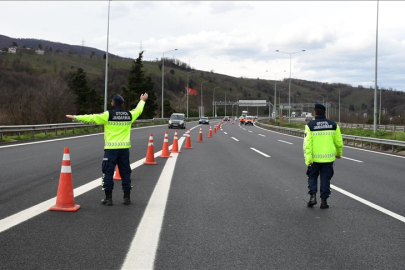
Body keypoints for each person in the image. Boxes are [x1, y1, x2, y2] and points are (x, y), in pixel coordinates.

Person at [66, 93, 148, 206]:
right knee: (125, 173)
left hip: (111, 150)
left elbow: (92, 118)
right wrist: (142, 101)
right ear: (123, 104)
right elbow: (138, 110)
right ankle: (127, 198)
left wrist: (76, 117)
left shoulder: (108, 114)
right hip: (124, 149)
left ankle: (108, 199)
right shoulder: (129, 115)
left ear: (112, 103)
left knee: (108, 173)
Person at [303, 103, 343, 209]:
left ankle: (312, 197)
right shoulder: (334, 125)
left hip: (314, 159)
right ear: (325, 112)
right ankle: (324, 201)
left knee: (312, 177)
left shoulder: (310, 126)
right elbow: (339, 142)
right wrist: (339, 153)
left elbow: (307, 144)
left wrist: (308, 159)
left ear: (315, 113)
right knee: (326, 179)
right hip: (328, 159)